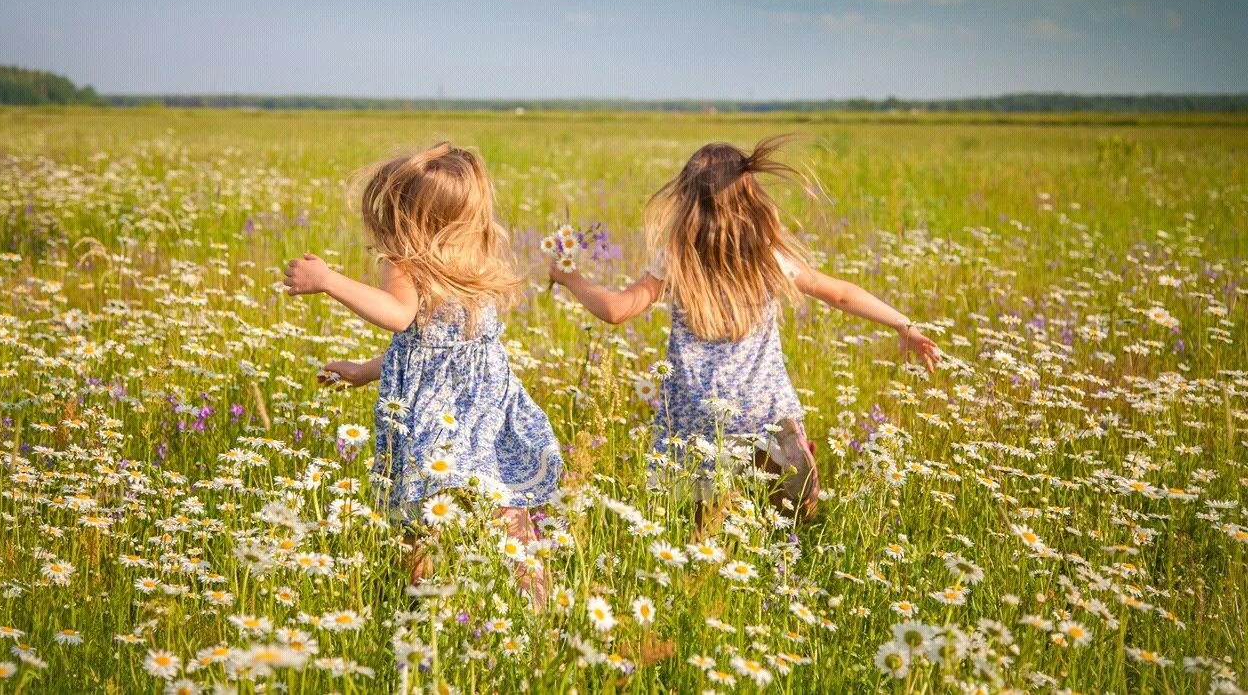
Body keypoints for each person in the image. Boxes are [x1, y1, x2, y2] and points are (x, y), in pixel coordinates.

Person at [549, 136, 940, 521]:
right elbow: (838, 294)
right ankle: (797, 481)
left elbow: (617, 310)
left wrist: (571, 279)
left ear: (688, 202)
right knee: (789, 512)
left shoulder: (677, 258)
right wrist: (903, 325)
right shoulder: (767, 255)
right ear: (750, 197)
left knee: (702, 520)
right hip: (764, 409)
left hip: (698, 415)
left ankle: (711, 547)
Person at [284, 143, 562, 607]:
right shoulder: (479, 258)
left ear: (409, 216)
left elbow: (397, 316)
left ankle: (421, 609)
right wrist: (363, 372)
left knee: (418, 517)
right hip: (487, 408)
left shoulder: (407, 264)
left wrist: (329, 280)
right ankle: (537, 609)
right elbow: (425, 353)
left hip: (435, 418)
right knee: (509, 506)